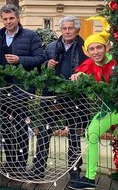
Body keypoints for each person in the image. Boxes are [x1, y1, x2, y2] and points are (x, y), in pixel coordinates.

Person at [32, 16, 89, 180]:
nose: (67, 31)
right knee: (44, 131)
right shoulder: (51, 47)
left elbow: (89, 67)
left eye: (70, 28)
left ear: (77, 30)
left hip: (75, 97)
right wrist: (46, 65)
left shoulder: (84, 47)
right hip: (52, 95)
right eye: (64, 29)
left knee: (73, 134)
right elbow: (41, 67)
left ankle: (74, 171)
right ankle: (38, 168)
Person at [0, 4, 46, 173]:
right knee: (5, 126)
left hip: (22, 88)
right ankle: (9, 161)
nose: (8, 22)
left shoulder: (30, 36)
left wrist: (19, 60)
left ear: (18, 18)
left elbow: (40, 58)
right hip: (3, 87)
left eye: (11, 18)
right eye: (5, 19)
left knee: (21, 125)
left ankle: (21, 162)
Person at [69, 17, 115, 190]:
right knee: (92, 133)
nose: (96, 51)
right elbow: (80, 71)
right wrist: (78, 76)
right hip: (108, 108)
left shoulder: (115, 61)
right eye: (92, 48)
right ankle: (89, 179)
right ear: (88, 51)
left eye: (99, 47)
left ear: (106, 48)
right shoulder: (89, 63)